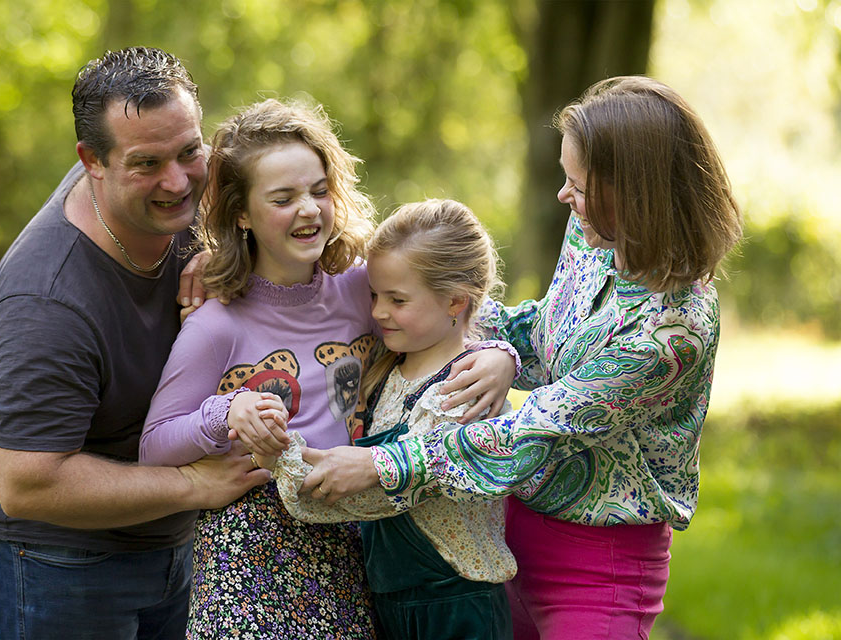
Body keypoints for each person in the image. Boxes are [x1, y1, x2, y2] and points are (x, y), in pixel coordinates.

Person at [298, 75, 743, 639]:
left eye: (578, 185)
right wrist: (506, 351)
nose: (564, 196)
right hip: (506, 537)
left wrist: (381, 464)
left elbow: (538, 428)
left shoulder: (674, 331)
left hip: (598, 568)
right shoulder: (594, 233)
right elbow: (550, 326)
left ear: (633, 193)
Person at [139, 99, 518, 638]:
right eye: (283, 198)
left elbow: (456, 311)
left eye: (319, 191)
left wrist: (502, 356)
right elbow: (155, 445)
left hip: (356, 544)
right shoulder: (216, 324)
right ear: (241, 213)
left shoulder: (361, 290)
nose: (309, 209)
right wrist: (226, 412)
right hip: (250, 561)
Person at [0, 47, 271, 640]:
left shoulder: (191, 205)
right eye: (147, 164)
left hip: (168, 528)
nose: (178, 182)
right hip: (55, 556)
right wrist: (195, 486)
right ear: (90, 162)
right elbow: (28, 483)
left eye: (189, 152)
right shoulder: (45, 303)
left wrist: (227, 253)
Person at [271, 198, 517, 640]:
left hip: (456, 606)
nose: (379, 312)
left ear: (455, 301)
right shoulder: (386, 368)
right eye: (374, 296)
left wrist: (287, 464)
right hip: (390, 603)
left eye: (397, 299)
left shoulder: (468, 385)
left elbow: (386, 492)